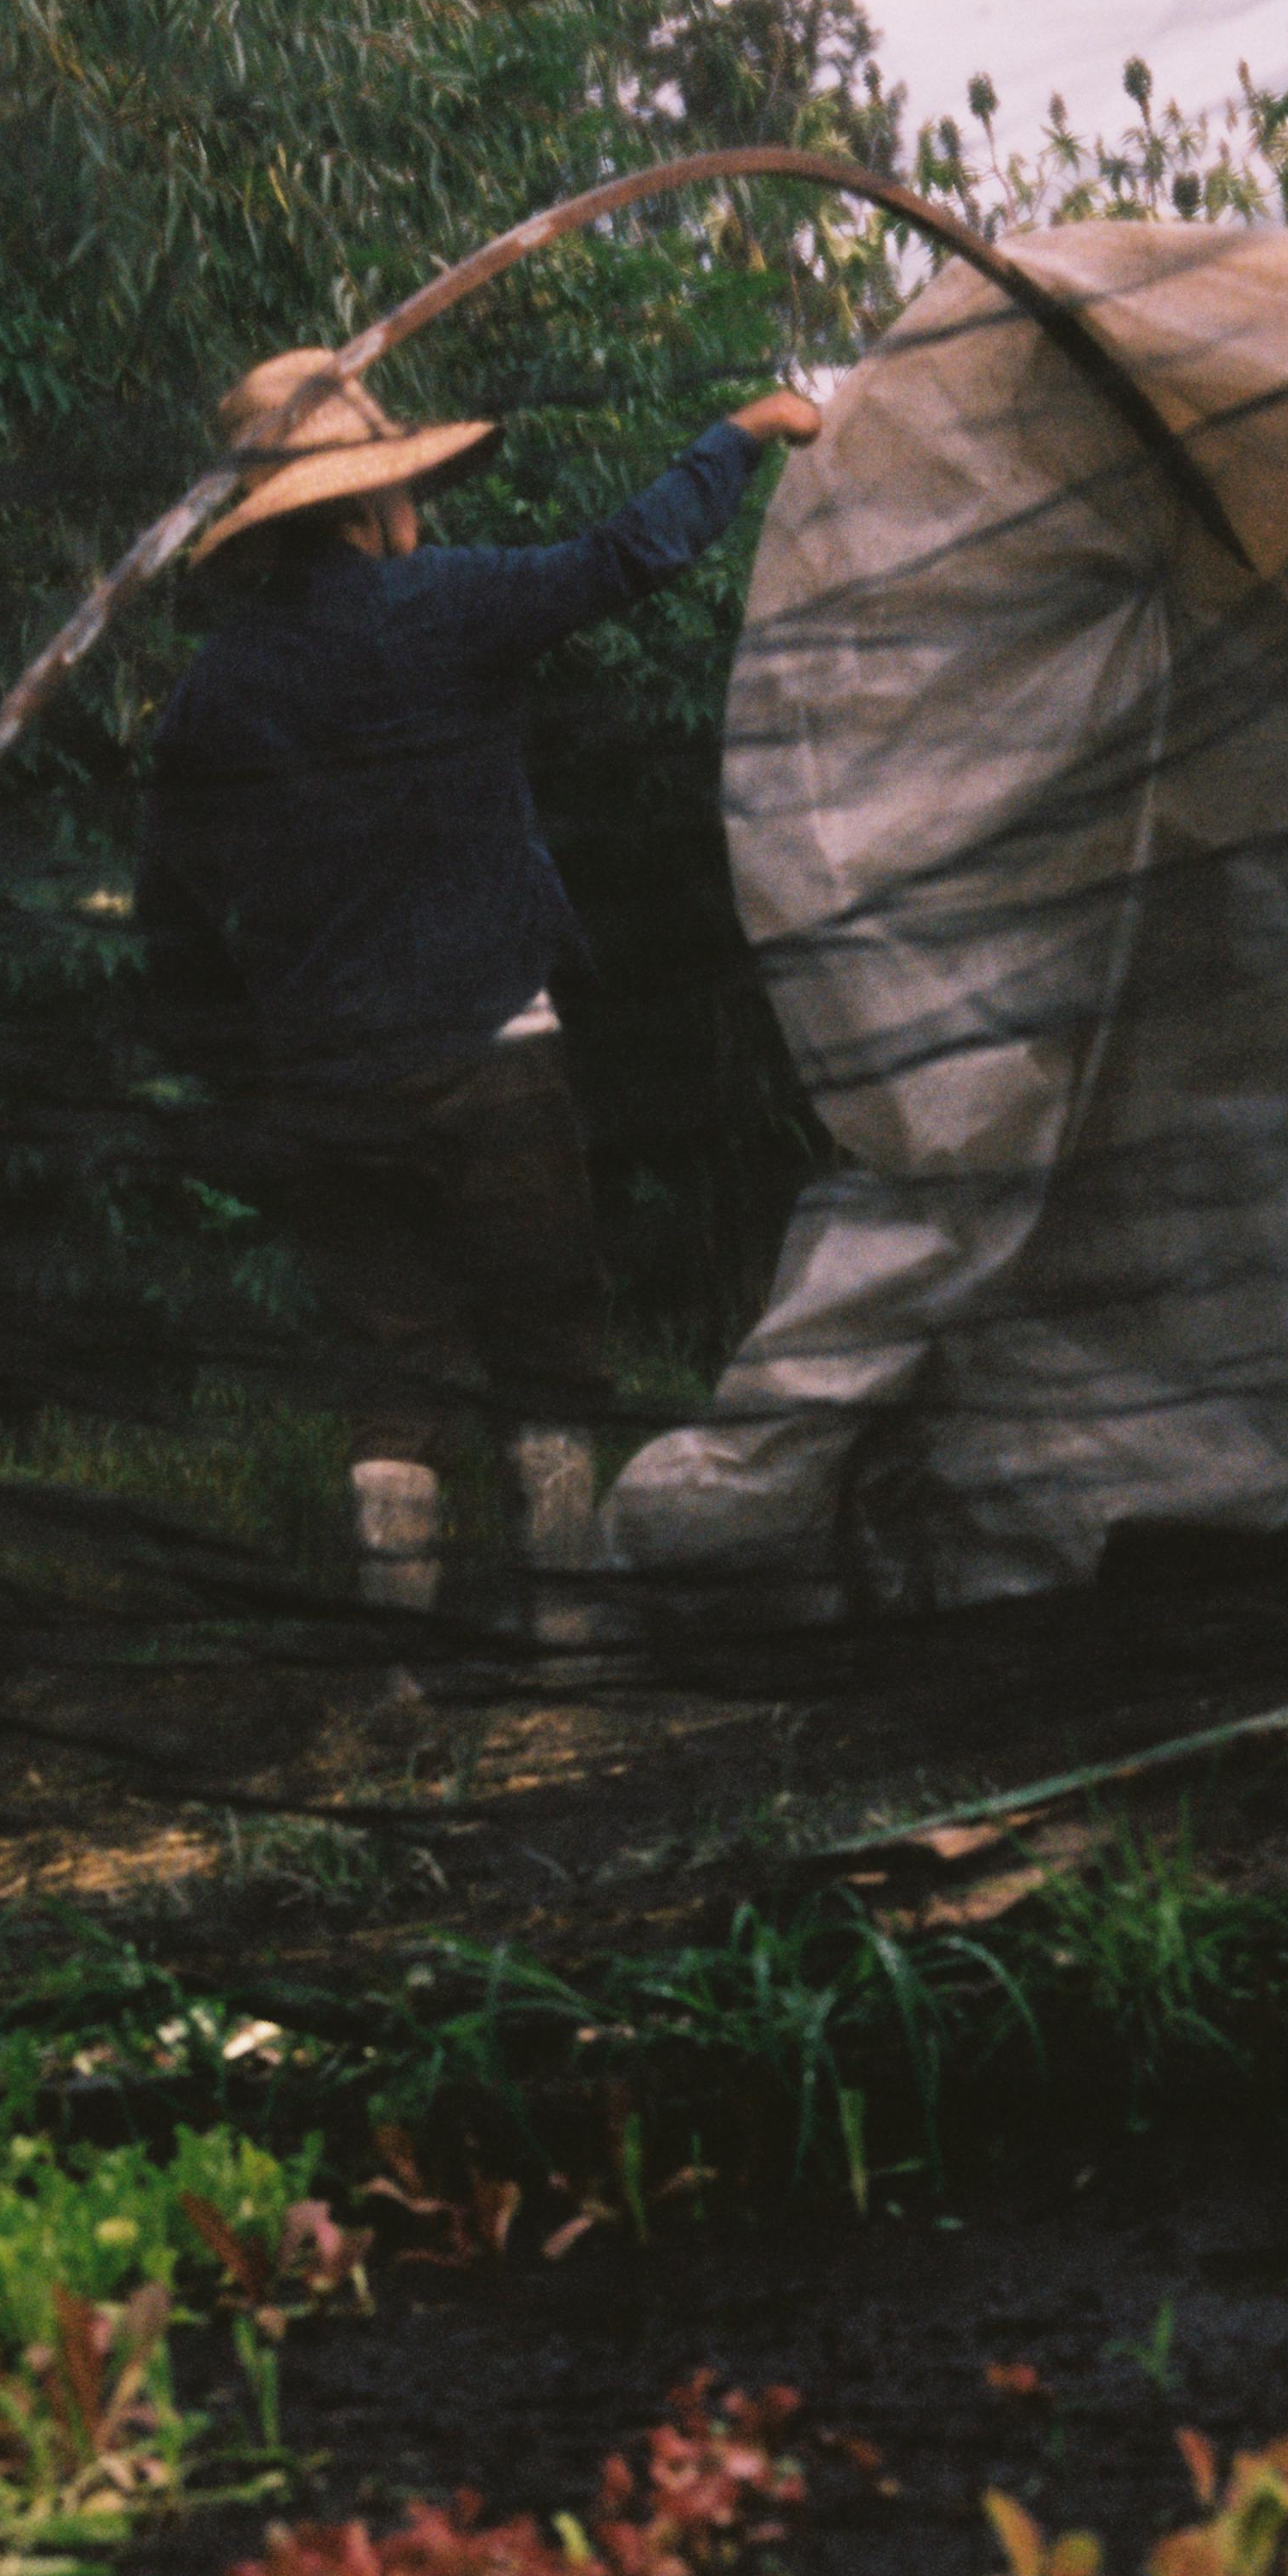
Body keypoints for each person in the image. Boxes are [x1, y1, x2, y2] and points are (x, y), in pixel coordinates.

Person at [136, 347, 822, 1644]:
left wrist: (249, 1062)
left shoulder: (212, 693)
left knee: (394, 1371)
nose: (418, 507)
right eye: (403, 486)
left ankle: (397, 1661)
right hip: (493, 1052)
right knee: (548, 1345)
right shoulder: (448, 606)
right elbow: (627, 555)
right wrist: (742, 431)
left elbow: (173, 913)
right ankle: (565, 1639)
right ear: (366, 503)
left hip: (324, 1084)